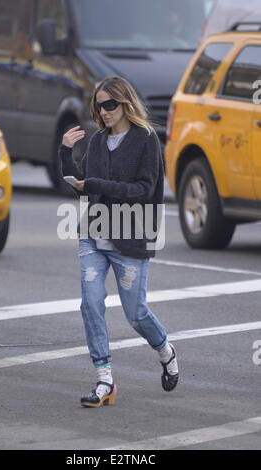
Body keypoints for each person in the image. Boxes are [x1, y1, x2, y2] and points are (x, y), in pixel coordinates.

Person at [58, 76, 179, 408]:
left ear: (126, 104)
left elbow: (143, 189)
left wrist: (97, 184)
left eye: (110, 104)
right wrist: (65, 154)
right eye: (99, 105)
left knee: (136, 314)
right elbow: (82, 183)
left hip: (131, 237)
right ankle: (104, 379)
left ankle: (166, 351)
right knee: (90, 303)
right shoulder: (97, 141)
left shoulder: (146, 140)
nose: (104, 111)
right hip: (93, 236)